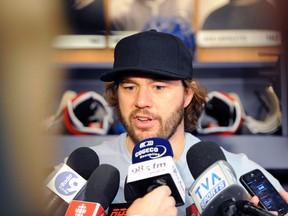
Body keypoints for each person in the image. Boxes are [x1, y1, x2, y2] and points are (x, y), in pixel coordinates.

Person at [91, 29, 288, 215]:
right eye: (130, 87)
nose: (141, 101)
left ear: (187, 95)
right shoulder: (83, 173)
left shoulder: (238, 172)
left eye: (159, 87)